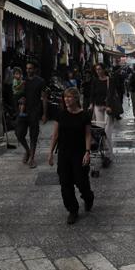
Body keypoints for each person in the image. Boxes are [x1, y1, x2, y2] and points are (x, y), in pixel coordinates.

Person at [48, 87, 94, 224]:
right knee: (65, 183)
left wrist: (87, 152)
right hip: (64, 153)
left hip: (79, 153)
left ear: (76, 98)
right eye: (65, 96)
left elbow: (87, 135)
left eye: (70, 96)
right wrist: (50, 152)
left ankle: (88, 197)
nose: (66, 99)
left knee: (81, 181)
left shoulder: (84, 115)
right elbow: (55, 134)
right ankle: (72, 210)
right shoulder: (61, 114)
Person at [15, 59, 48, 168]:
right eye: (27, 68)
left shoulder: (40, 81)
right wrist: (19, 101)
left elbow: (44, 98)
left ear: (35, 69)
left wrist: (44, 113)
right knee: (19, 134)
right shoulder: (23, 80)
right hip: (23, 111)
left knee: (33, 136)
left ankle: (32, 158)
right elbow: (16, 93)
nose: (28, 70)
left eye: (30, 68)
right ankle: (27, 151)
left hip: (34, 111)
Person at [88, 62, 115, 163]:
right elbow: (92, 94)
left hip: (108, 108)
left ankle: (109, 154)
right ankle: (104, 152)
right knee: (100, 131)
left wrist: (109, 106)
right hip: (98, 107)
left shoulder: (110, 80)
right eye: (96, 69)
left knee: (107, 131)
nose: (98, 71)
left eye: (99, 69)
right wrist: (91, 104)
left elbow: (111, 94)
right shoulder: (95, 81)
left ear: (104, 69)